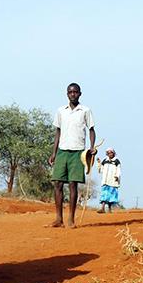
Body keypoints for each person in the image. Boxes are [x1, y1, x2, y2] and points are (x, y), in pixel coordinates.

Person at [48, 82, 96, 228]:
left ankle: (71, 220)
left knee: (73, 185)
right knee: (57, 183)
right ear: (67, 94)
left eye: (75, 92)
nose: (73, 94)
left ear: (80, 94)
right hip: (62, 151)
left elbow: (91, 130)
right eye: (70, 92)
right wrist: (54, 153)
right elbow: (57, 132)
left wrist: (92, 148)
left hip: (78, 152)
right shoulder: (60, 111)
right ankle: (58, 219)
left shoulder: (85, 110)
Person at [96, 148, 121, 213]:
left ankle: (109, 209)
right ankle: (102, 208)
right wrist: (99, 163)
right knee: (104, 194)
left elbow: (118, 170)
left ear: (114, 153)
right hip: (105, 181)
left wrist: (117, 176)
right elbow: (101, 170)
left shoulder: (116, 161)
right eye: (108, 153)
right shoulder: (105, 161)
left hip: (113, 181)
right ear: (107, 154)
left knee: (111, 195)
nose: (110, 154)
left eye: (111, 152)